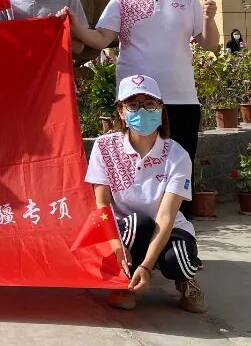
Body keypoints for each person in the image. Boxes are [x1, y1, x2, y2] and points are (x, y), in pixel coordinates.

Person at [66, 0, 219, 214]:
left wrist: (209, 19)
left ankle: (178, 232)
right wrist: (75, 26)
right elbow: (101, 38)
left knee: (179, 169)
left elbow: (208, 44)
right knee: (136, 168)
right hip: (137, 102)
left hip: (180, 97)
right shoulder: (122, 0)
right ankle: (134, 229)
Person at [85, 74, 206, 313]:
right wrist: (116, 247)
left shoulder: (177, 155)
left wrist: (147, 266)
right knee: (137, 223)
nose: (142, 111)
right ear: (121, 112)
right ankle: (126, 283)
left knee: (179, 260)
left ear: (161, 109)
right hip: (125, 229)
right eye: (133, 105)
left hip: (167, 227)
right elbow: (102, 205)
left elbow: (166, 217)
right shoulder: (104, 147)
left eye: (150, 104)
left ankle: (184, 280)